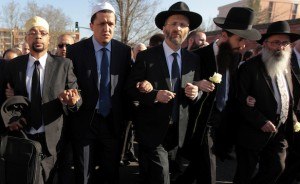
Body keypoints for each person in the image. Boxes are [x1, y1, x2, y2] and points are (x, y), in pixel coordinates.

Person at [176, 7, 262, 184]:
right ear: (224, 36)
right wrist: (198, 86)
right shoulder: (196, 56)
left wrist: (245, 97)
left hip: (222, 121)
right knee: (209, 171)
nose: (243, 45)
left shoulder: (236, 56)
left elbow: (232, 86)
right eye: (240, 39)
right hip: (201, 122)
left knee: (195, 169)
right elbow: (181, 85)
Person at [126, 2, 201, 184]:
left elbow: (196, 91)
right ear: (164, 27)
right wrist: (154, 95)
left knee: (169, 175)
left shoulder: (193, 60)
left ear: (188, 30)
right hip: (152, 130)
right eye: (173, 23)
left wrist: (195, 93)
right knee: (161, 176)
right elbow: (130, 89)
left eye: (183, 25)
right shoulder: (147, 57)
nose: (178, 28)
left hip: (178, 133)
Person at [4, 16, 81, 183]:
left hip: (53, 141)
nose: (38, 36)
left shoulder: (64, 65)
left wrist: (72, 101)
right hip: (23, 137)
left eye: (43, 33)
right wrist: (11, 116)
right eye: (33, 33)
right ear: (26, 38)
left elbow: (77, 97)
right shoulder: (13, 65)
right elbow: (5, 100)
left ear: (48, 38)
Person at [66, 2, 132, 184]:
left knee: (110, 173)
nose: (107, 28)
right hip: (85, 120)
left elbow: (128, 85)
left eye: (111, 24)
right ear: (92, 25)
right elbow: (69, 82)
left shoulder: (124, 51)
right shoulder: (75, 51)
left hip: (112, 121)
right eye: (102, 23)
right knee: (84, 173)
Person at [234, 20, 299, 184]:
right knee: (245, 174)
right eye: (276, 42)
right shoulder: (249, 68)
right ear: (265, 44)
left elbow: (288, 97)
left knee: (276, 168)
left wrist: (293, 120)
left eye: (285, 43)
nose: (280, 47)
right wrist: (260, 120)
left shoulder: (286, 67)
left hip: (280, 129)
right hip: (253, 130)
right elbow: (239, 99)